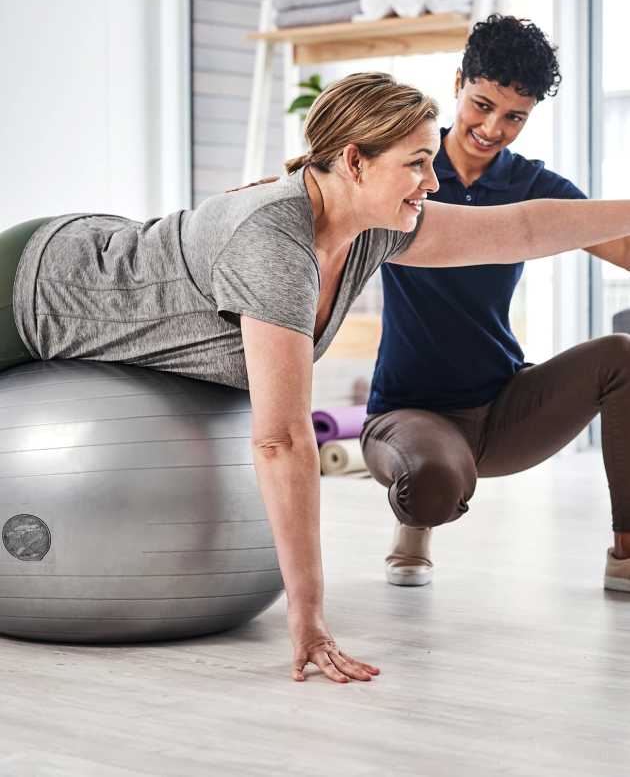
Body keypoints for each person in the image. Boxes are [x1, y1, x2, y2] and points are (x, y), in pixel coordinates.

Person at [4, 73, 630, 684]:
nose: (432, 182)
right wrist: (308, 620)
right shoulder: (277, 248)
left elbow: (519, 229)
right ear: (356, 162)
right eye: (416, 163)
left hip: (91, 255)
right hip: (31, 289)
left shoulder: (373, 229)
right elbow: (280, 440)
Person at [361, 16, 630, 594]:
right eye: (481, 104)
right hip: (412, 413)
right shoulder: (403, 168)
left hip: (504, 406)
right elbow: (319, 198)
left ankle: (627, 553)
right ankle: (415, 525)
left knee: (623, 356)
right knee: (430, 482)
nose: (492, 127)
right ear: (458, 82)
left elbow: (622, 245)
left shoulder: (534, 186)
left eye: (514, 117)